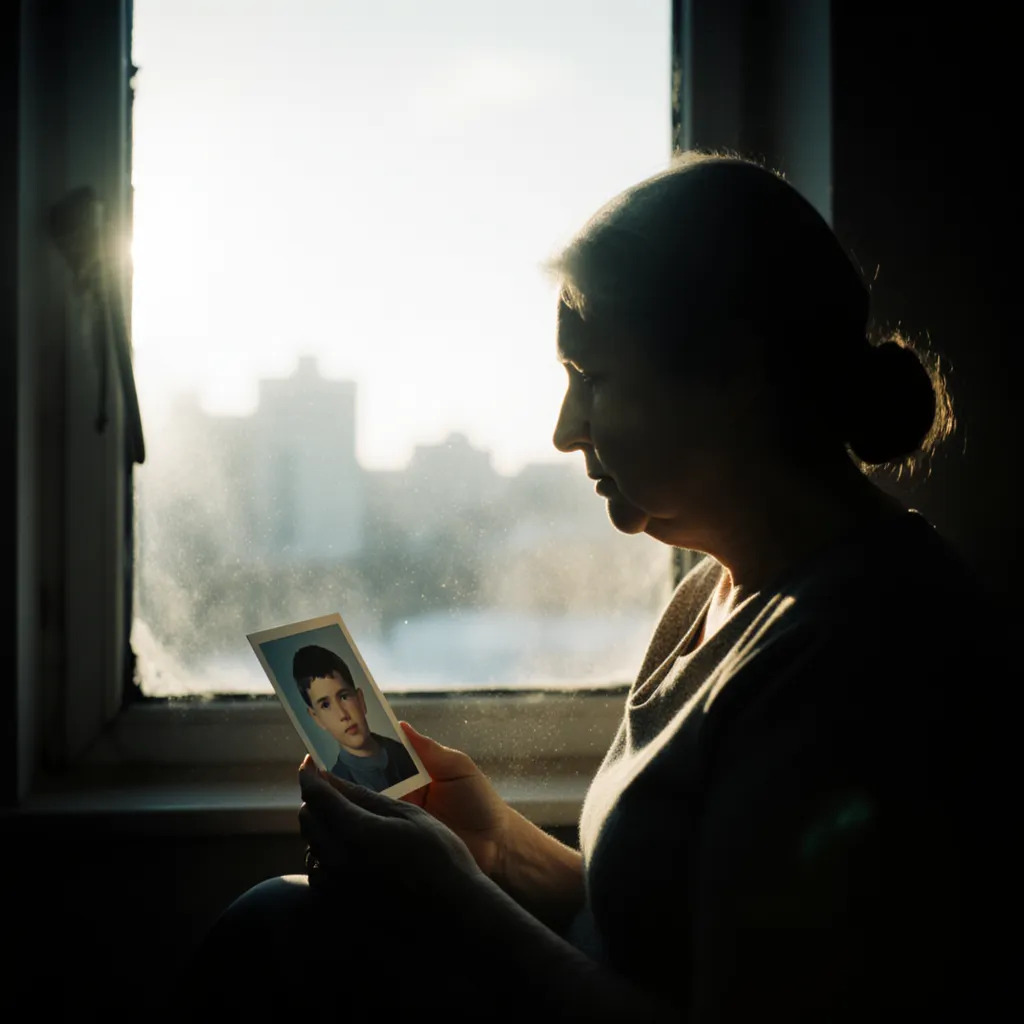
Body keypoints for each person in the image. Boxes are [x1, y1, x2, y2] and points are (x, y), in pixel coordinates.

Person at [190, 152, 1000, 1021]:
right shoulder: (709, 596)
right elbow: (661, 927)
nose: (564, 430)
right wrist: (497, 845)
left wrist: (456, 903)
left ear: (732, 378)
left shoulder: (865, 654)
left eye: (594, 379)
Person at [292, 644, 418, 791]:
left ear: (360, 700)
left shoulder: (403, 753)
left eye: (344, 696)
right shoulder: (339, 786)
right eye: (325, 705)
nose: (343, 715)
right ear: (316, 718)